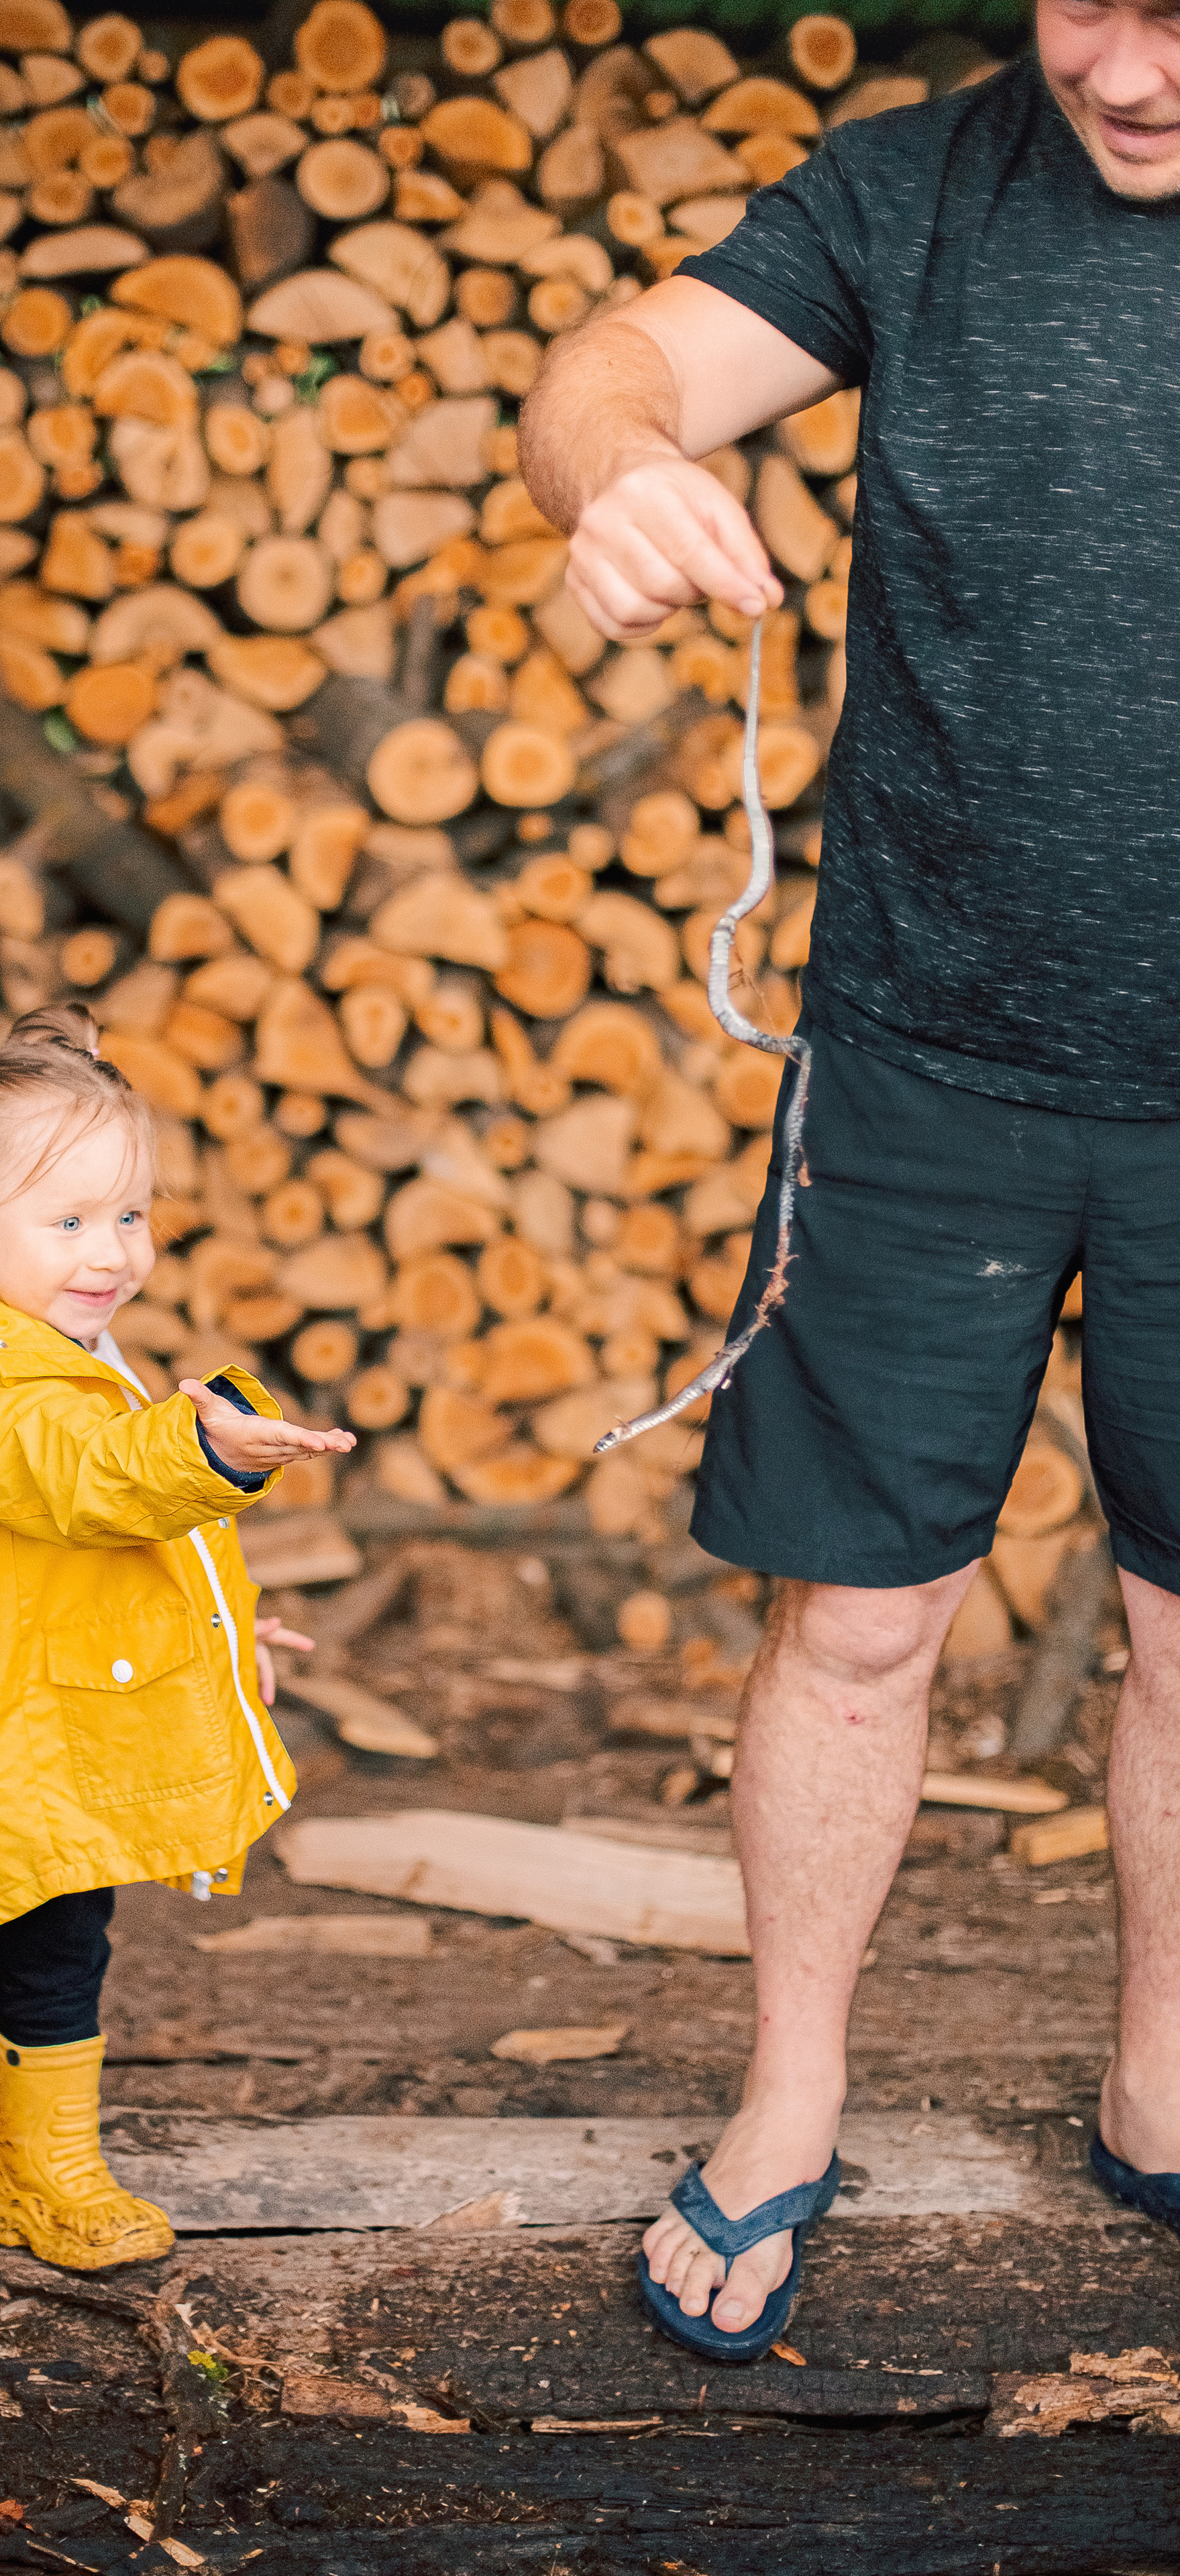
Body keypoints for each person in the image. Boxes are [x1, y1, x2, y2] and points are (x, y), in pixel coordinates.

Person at [519, 0, 1180, 2362]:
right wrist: (611, 476)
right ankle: (790, 2100)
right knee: (862, 1623)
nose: (1132, 65)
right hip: (923, 1065)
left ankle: (1162, 2085)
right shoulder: (907, 193)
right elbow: (605, 369)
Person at [0, 1009, 354, 2311]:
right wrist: (204, 1456)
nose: (110, 1254)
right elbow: (80, 1482)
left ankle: (40, 2165)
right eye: (67, 1223)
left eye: (128, 1216)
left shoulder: (67, 1343)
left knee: (66, 1960)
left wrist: (221, 1621)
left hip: (51, 1734)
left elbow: (113, 1547)